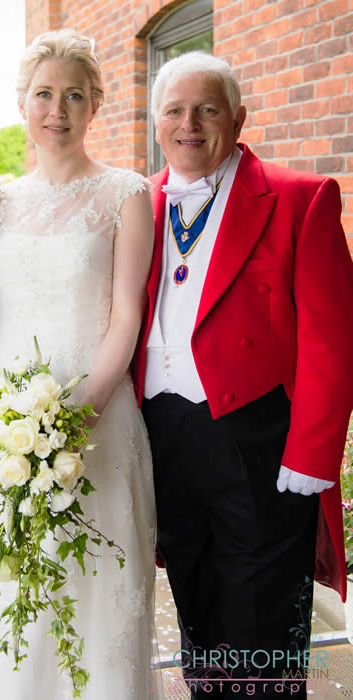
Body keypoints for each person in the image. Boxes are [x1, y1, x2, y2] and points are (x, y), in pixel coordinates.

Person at [132, 51, 353, 697]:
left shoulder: (298, 198)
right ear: (155, 121)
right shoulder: (134, 201)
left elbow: (331, 340)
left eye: (207, 109)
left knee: (263, 622)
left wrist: (312, 455)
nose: (189, 124)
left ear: (238, 118)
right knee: (196, 608)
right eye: (174, 110)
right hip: (163, 435)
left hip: (258, 440)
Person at [0, 29, 159, 700]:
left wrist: (78, 416)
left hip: (97, 423)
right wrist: (22, 422)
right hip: (8, 428)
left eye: (74, 95)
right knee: (14, 589)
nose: (58, 110)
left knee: (94, 596)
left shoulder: (127, 193)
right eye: (44, 94)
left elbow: (126, 315)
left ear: (96, 104)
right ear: (22, 103)